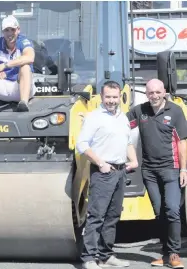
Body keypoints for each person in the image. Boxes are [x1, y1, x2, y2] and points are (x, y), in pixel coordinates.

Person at [76, 80, 138, 269]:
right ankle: (89, 258)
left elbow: (127, 142)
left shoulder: (122, 117)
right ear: (101, 97)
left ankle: (106, 255)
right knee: (97, 215)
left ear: (120, 97)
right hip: (103, 171)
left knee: (112, 216)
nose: (111, 100)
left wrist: (134, 160)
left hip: (120, 171)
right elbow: (82, 144)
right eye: (108, 97)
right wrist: (100, 163)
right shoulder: (94, 117)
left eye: (114, 97)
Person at [127, 78, 187, 269]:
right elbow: (119, 124)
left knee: (172, 210)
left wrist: (184, 169)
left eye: (157, 92)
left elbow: (182, 142)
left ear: (164, 92)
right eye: (150, 93)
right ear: (146, 94)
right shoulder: (140, 111)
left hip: (171, 169)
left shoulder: (175, 111)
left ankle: (175, 253)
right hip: (149, 171)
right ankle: (164, 254)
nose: (154, 96)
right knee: (160, 213)